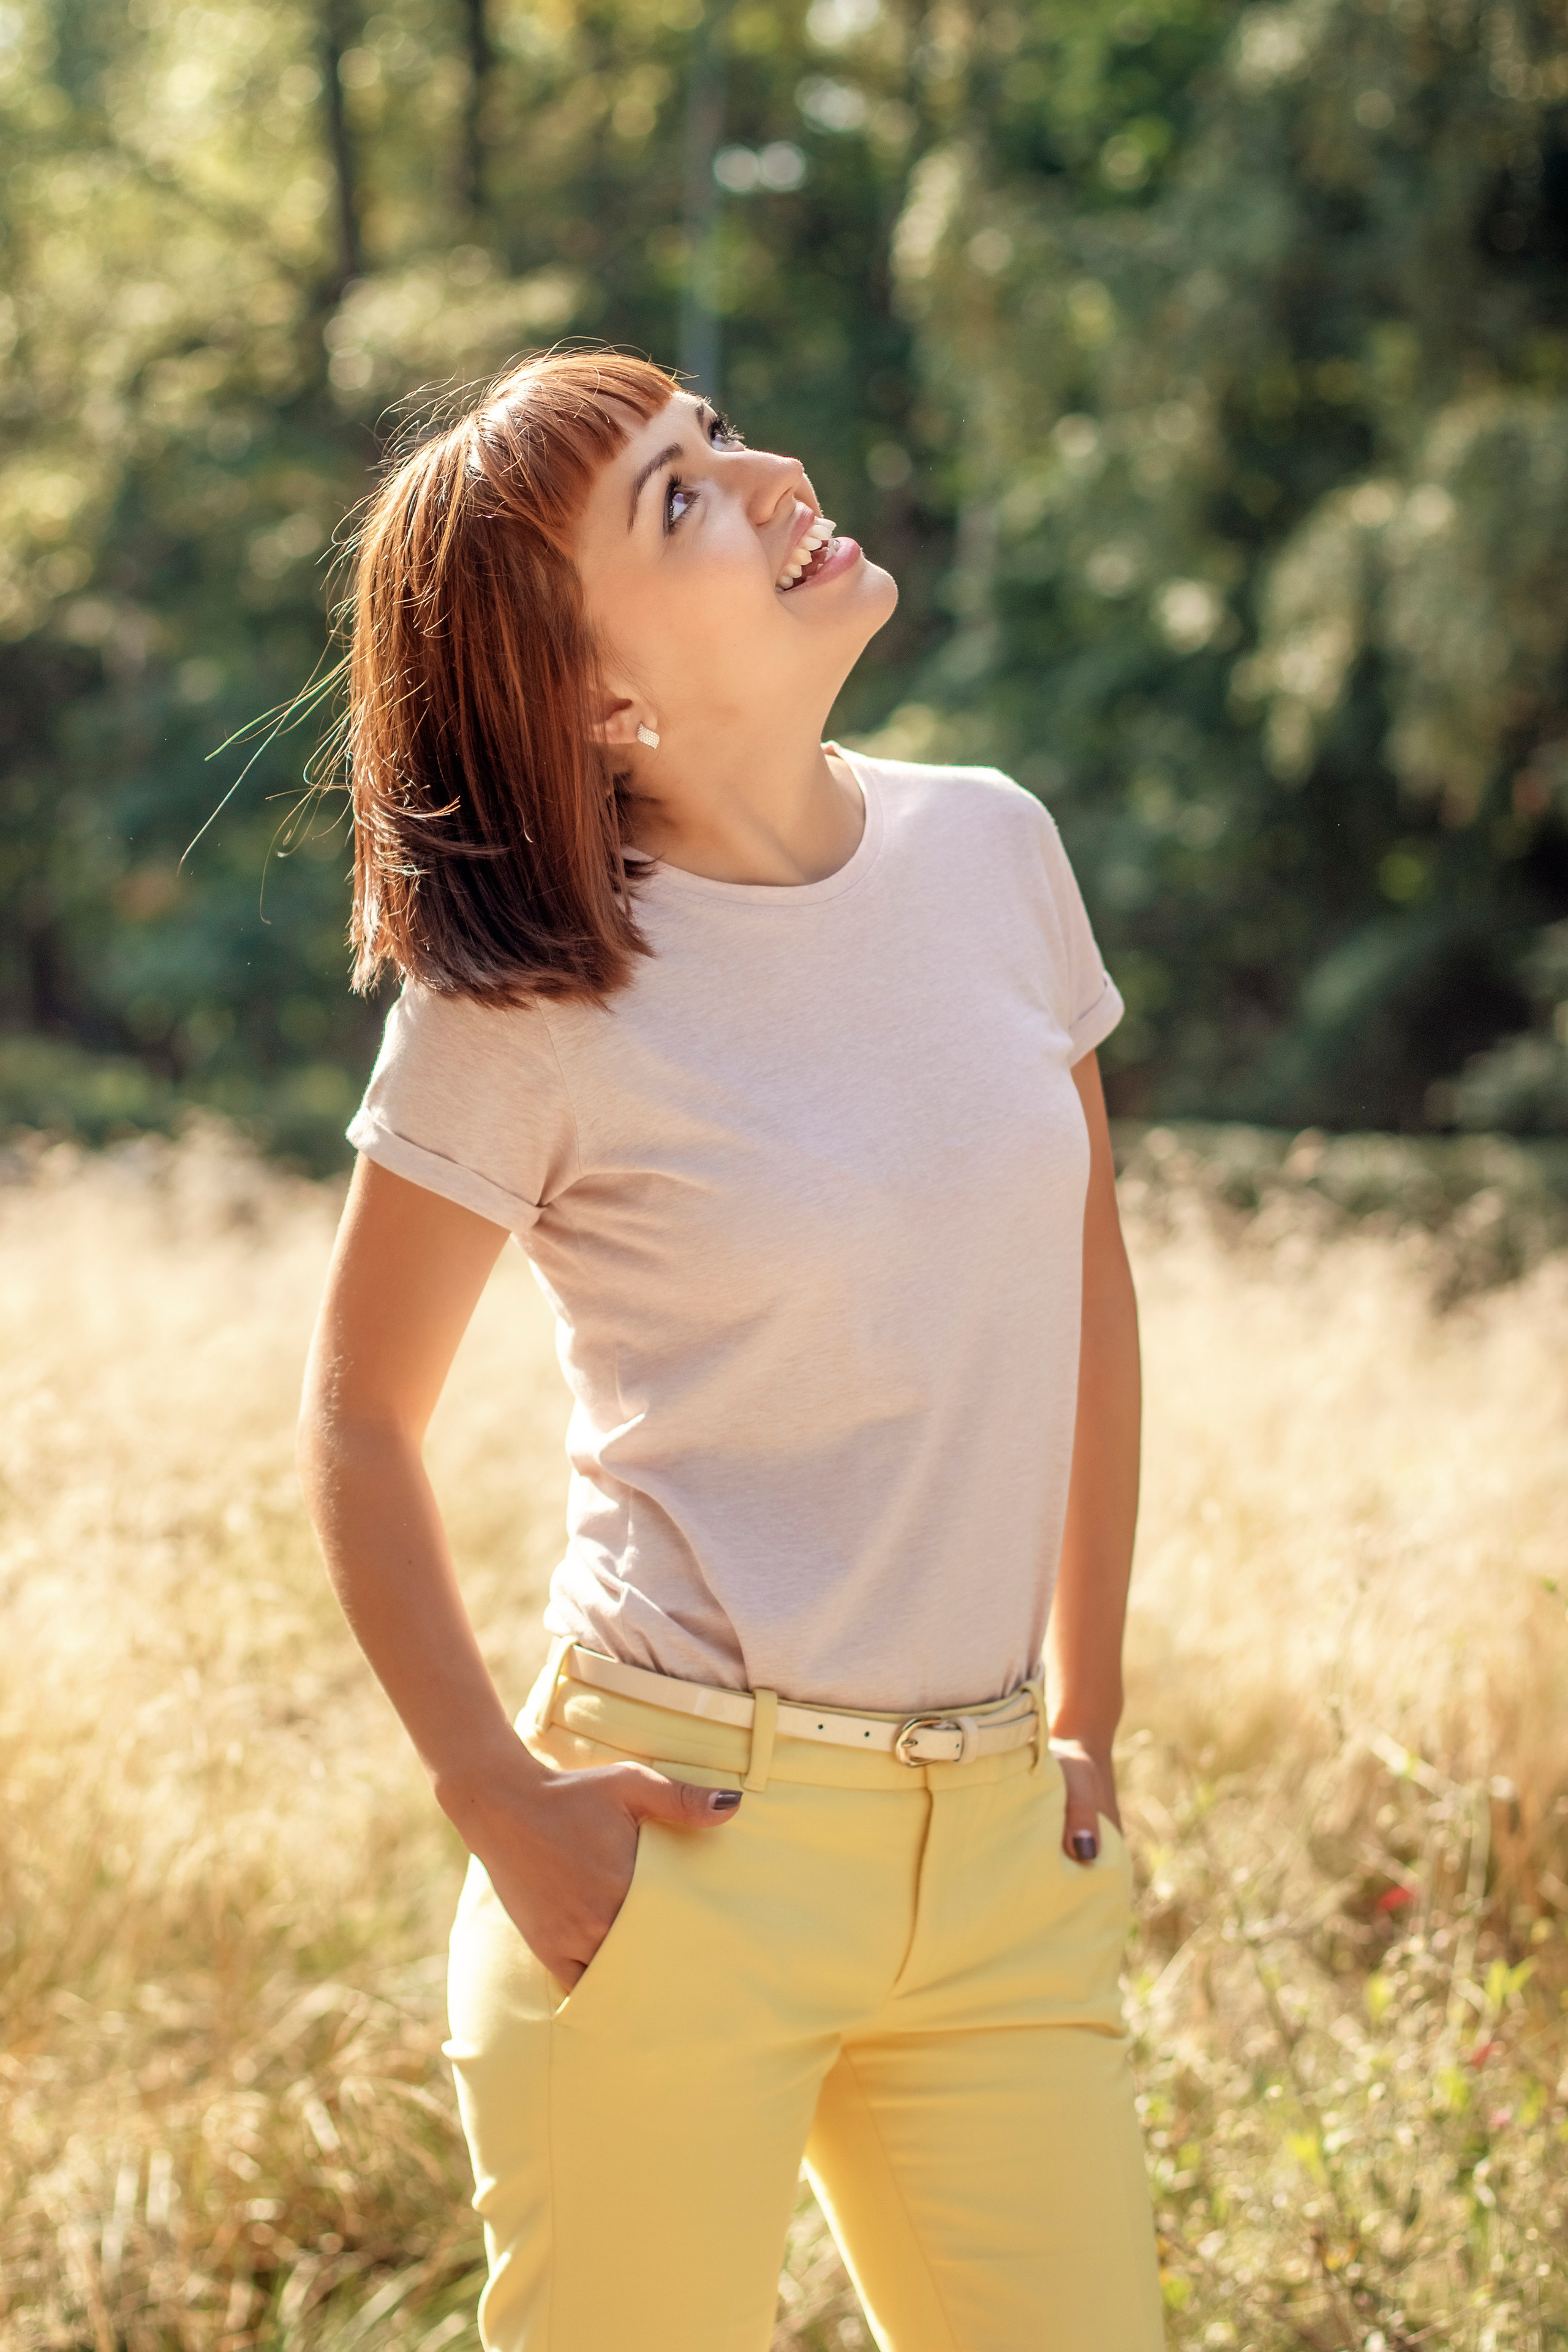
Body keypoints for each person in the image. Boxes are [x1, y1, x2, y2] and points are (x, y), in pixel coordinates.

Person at [298, 346, 1165, 2352]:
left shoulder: (997, 852)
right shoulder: (529, 1005)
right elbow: (356, 1420)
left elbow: (1085, 1282)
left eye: (716, 438)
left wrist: (1087, 1721)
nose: (773, 476)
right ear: (594, 697)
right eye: (679, 500)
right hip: (679, 1855)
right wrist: (497, 1798)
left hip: (1000, 1873)